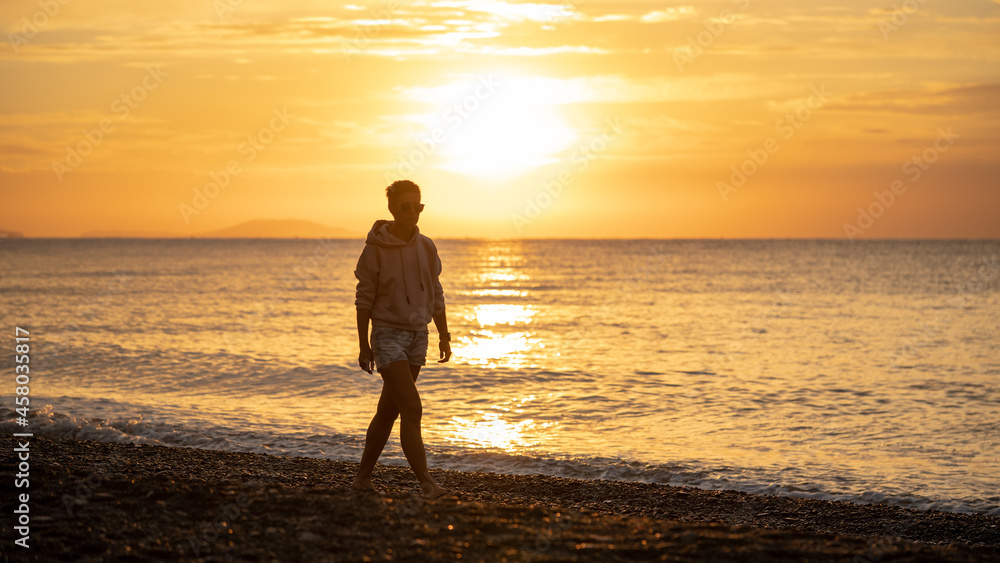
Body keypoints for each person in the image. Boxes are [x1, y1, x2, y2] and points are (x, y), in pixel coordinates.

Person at [351, 180, 454, 499]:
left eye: (418, 206)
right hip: (386, 335)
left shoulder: (427, 246)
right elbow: (364, 298)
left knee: (389, 410)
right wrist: (364, 345)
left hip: (417, 336)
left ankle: (362, 478)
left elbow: (436, 292)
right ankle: (426, 483)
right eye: (405, 207)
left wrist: (444, 334)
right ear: (392, 209)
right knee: (412, 407)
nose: (412, 212)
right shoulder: (375, 248)